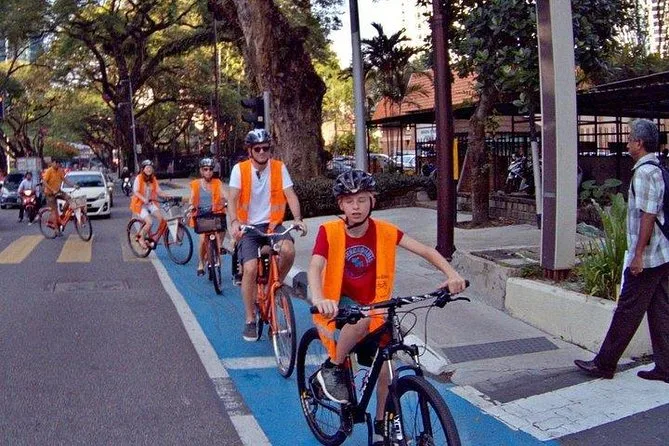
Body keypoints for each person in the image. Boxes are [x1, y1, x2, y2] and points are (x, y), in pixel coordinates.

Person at [308, 169, 467, 442]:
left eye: (362, 200)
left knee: (386, 368)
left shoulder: (384, 231)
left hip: (377, 305)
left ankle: (383, 425)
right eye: (349, 201)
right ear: (341, 204)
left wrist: (451, 274)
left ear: (373, 201)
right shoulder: (329, 231)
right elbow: (315, 266)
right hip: (342, 303)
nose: (356, 207)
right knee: (361, 321)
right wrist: (319, 297)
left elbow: (426, 250)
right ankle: (333, 368)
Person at [575, 119, 669, 384]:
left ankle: (604, 364)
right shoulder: (658, 167)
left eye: (629, 139)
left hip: (649, 257)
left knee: (627, 310)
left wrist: (638, 255)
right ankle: (665, 367)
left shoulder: (644, 173)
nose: (626, 144)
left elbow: (648, 215)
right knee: (661, 310)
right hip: (663, 253)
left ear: (639, 143)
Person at [227, 129, 307, 341]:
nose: (262, 152)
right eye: (257, 149)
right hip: (249, 228)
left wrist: (298, 219)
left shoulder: (279, 168)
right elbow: (232, 199)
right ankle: (250, 319)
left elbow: (290, 195)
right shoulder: (240, 170)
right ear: (250, 151)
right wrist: (234, 223)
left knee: (288, 251)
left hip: (273, 225)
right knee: (250, 269)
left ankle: (275, 287)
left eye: (266, 148)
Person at [190, 157, 228, 276]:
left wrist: (227, 200)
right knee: (202, 241)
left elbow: (223, 194)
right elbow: (192, 198)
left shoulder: (217, 182)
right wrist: (191, 206)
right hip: (202, 216)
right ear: (201, 171)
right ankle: (201, 263)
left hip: (215, 213)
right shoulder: (196, 184)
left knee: (223, 228)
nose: (208, 172)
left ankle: (218, 247)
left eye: (210, 169)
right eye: (205, 169)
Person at [130, 159, 172, 249]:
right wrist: (143, 199)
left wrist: (167, 196)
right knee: (149, 222)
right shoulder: (139, 178)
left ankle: (156, 237)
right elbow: (136, 191)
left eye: (150, 168)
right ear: (143, 169)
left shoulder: (153, 179)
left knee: (162, 218)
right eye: (147, 168)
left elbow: (158, 191)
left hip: (150, 203)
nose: (149, 169)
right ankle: (141, 238)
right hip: (140, 205)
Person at [43, 159, 77, 237]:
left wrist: (73, 185)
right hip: (50, 193)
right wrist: (52, 190)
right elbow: (44, 182)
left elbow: (65, 180)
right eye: (56, 163)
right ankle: (56, 230)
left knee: (69, 199)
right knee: (54, 211)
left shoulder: (60, 171)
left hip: (58, 191)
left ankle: (63, 216)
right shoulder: (49, 171)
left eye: (58, 163)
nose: (57, 165)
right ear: (52, 163)